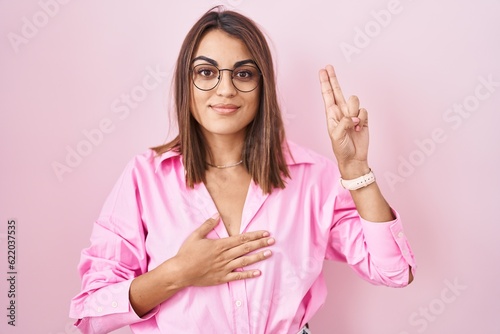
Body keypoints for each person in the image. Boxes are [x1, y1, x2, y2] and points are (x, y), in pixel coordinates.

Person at [69, 6, 416, 334]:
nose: (225, 89)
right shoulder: (145, 177)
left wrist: (356, 169)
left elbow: (394, 271)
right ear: (185, 84)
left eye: (244, 74)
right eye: (206, 72)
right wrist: (178, 273)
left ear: (262, 85)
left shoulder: (313, 177)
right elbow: (90, 313)